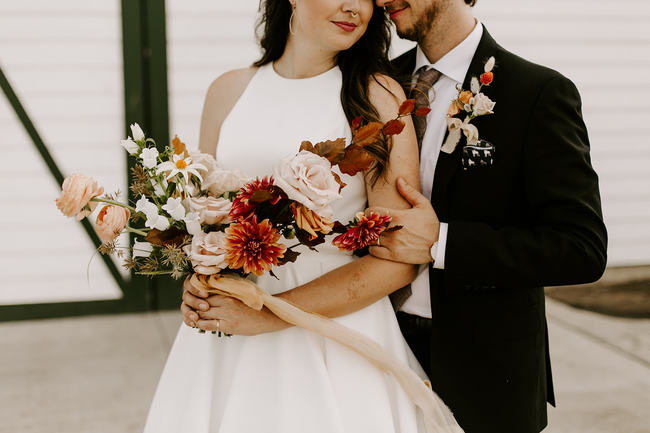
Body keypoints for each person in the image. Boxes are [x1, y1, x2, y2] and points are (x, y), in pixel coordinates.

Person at [146, 1, 462, 432]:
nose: (356, 7)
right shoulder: (227, 91)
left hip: (336, 332)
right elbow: (207, 222)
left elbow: (399, 261)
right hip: (229, 330)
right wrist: (198, 282)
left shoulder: (378, 98)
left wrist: (268, 314)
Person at [364, 1, 608, 432]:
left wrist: (442, 243)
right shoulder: (374, 85)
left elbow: (581, 248)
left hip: (486, 372)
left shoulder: (537, 92)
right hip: (373, 347)